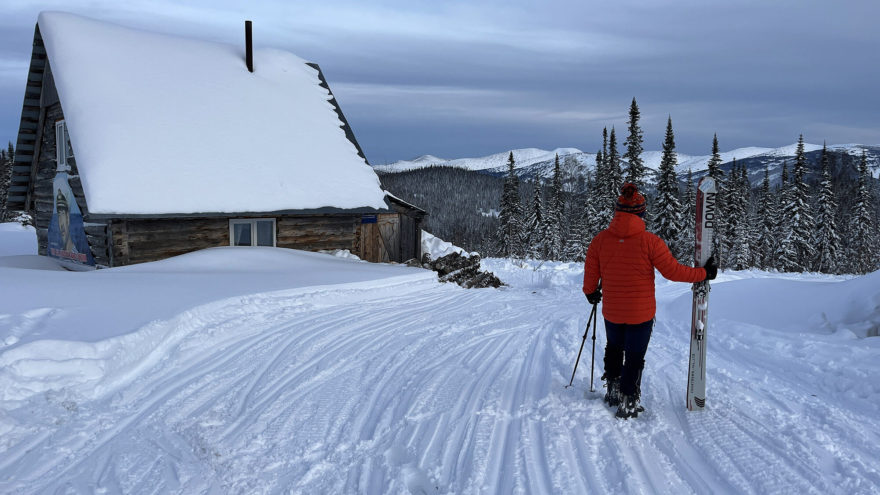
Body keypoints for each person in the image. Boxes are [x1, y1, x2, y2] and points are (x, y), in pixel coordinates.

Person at [582, 183, 717, 419]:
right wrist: (704, 273)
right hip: (640, 314)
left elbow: (590, 275)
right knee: (634, 357)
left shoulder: (600, 240)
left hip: (612, 312)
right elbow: (674, 272)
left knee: (614, 348)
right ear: (642, 213)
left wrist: (590, 292)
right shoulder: (650, 242)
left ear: (617, 211)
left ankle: (613, 390)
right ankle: (628, 400)